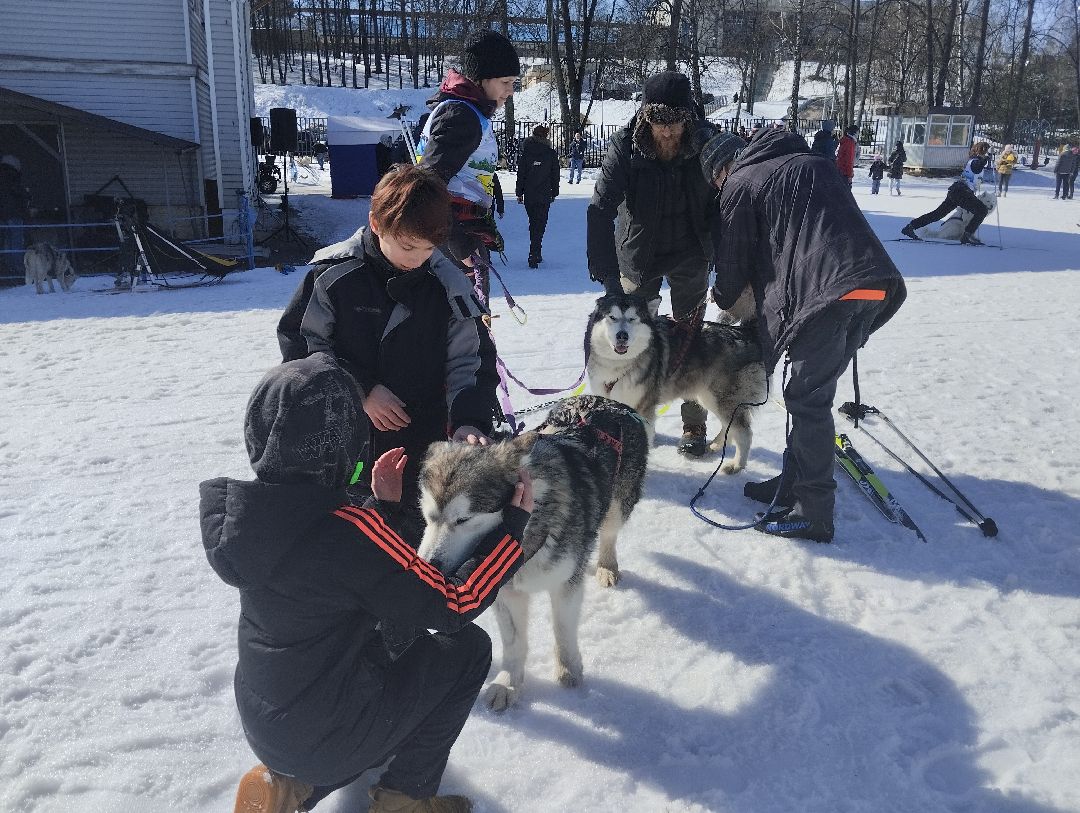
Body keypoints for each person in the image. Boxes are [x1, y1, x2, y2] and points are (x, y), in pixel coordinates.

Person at [203, 352, 532, 813]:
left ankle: (288, 786)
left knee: (384, 638)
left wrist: (384, 511)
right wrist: (512, 530)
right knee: (468, 649)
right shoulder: (348, 531)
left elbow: (342, 577)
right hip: (329, 731)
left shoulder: (249, 519)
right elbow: (453, 604)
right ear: (343, 441)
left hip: (266, 723)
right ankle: (404, 799)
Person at [698, 126, 906, 542]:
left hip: (827, 292)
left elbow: (733, 266)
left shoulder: (742, 180)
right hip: (873, 285)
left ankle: (813, 512)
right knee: (808, 391)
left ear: (723, 169)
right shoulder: (810, 162)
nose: (719, 187)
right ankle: (793, 482)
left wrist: (719, 297)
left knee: (807, 399)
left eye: (715, 181)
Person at [277, 165, 499, 533]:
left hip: (423, 436)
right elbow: (301, 347)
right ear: (377, 224)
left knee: (416, 530)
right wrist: (359, 388)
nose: (417, 258)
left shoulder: (449, 285)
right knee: (353, 526)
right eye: (409, 246)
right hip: (348, 434)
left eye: (429, 248)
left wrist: (468, 420)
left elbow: (470, 359)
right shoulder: (334, 275)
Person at [587, 70, 720, 456]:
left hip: (692, 253)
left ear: (688, 117)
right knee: (627, 342)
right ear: (646, 116)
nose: (667, 133)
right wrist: (608, 276)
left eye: (675, 123)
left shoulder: (705, 143)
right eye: (658, 123)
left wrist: (726, 257)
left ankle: (694, 424)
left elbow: (726, 202)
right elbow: (600, 209)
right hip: (638, 256)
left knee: (691, 340)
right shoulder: (626, 147)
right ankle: (625, 419)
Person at [415, 30, 520, 304]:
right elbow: (428, 183)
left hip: (455, 233)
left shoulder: (464, 110)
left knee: (465, 326)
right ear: (482, 79)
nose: (510, 90)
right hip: (452, 236)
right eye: (505, 81)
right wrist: (458, 242)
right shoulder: (462, 115)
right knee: (467, 326)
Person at [902, 142, 992, 245]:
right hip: (962, 192)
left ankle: (910, 227)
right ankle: (967, 236)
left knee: (937, 214)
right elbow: (977, 167)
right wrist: (984, 160)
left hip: (957, 191)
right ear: (982, 151)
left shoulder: (974, 160)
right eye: (986, 151)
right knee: (982, 210)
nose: (986, 154)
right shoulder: (975, 161)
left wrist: (984, 160)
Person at [515, 124, 560, 268]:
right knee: (540, 223)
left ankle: (535, 251)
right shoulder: (550, 153)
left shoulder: (526, 152)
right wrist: (555, 191)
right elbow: (555, 174)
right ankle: (535, 251)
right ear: (545, 136)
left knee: (533, 221)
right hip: (544, 193)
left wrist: (519, 192)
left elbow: (521, 174)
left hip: (529, 193)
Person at [0, 154, 30, 278]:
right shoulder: (13, 178)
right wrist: (27, 194)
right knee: (17, 242)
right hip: (15, 215)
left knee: (7, 242)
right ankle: (18, 269)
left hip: (2, 216)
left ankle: (8, 268)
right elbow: (19, 193)